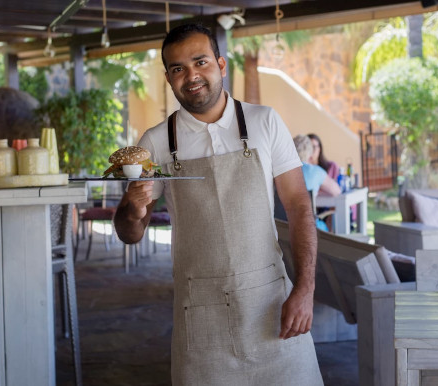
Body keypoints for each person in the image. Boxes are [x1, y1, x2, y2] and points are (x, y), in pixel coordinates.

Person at [113, 23, 323, 385]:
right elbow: (130, 233)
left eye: (201, 62)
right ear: (168, 78)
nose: (191, 76)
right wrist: (132, 209)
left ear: (221, 65)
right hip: (201, 318)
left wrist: (304, 289)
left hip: (273, 307)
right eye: (178, 68)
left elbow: (299, 205)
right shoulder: (157, 142)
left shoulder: (264, 122)